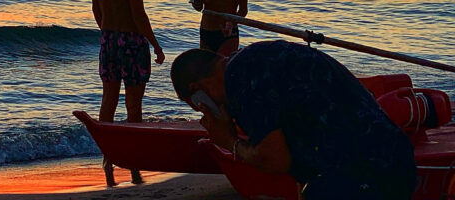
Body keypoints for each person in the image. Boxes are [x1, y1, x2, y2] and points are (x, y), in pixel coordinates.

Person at [171, 42, 416, 200]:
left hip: (361, 172)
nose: (203, 112)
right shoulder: (254, 61)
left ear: (198, 90)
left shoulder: (240, 80)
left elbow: (276, 160)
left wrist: (230, 142)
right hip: (388, 159)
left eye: (196, 104)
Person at [91, 0, 166, 185]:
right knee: (133, 104)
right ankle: (133, 161)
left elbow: (96, 8)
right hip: (131, 41)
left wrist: (108, 32)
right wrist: (155, 44)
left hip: (109, 39)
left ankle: (107, 157)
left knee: (108, 100)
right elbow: (138, 13)